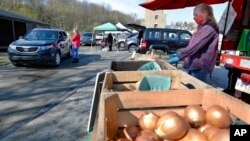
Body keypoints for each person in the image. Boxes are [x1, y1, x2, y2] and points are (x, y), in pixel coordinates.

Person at [167, 3, 219, 83]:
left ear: (204, 13)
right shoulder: (202, 27)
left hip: (200, 67)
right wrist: (180, 54)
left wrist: (180, 55)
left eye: (195, 15)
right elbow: (192, 45)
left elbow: (196, 45)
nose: (194, 18)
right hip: (194, 65)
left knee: (196, 91)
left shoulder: (209, 28)